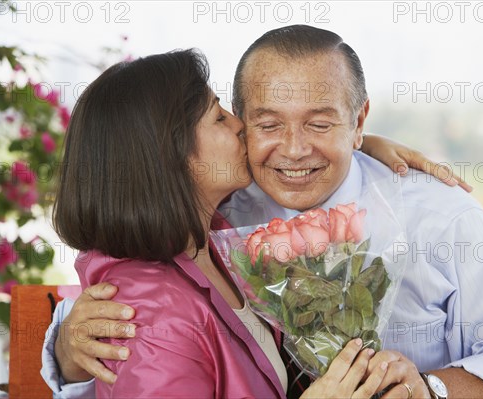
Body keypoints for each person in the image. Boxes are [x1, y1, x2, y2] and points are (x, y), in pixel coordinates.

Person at [44, 25, 483, 398]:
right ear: (242, 122)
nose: (293, 150)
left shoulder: (441, 217)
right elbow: (136, 271)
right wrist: (67, 346)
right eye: (267, 124)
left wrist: (428, 391)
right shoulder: (223, 211)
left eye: (320, 124)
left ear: (358, 120)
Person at [46, 48, 402, 398]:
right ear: (172, 153)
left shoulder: (212, 234)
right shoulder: (155, 316)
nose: (240, 125)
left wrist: (357, 140)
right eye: (219, 117)